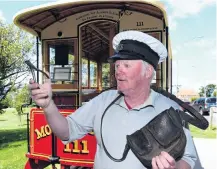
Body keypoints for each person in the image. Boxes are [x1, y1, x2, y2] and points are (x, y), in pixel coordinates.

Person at [29, 30, 198, 169]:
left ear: (148, 72)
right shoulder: (103, 100)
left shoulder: (170, 108)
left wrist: (174, 167)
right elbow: (67, 131)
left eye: (126, 65)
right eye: (117, 66)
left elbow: (189, 160)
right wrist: (48, 105)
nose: (118, 71)